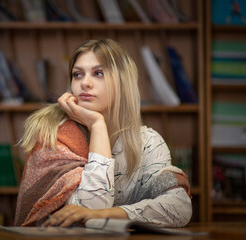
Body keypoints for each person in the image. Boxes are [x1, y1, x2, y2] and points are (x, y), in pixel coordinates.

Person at [14, 39, 192, 228]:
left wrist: (109, 214)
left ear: (122, 83)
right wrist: (97, 125)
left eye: (98, 73)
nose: (85, 83)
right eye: (77, 75)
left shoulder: (148, 142)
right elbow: (90, 210)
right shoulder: (54, 136)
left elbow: (179, 207)